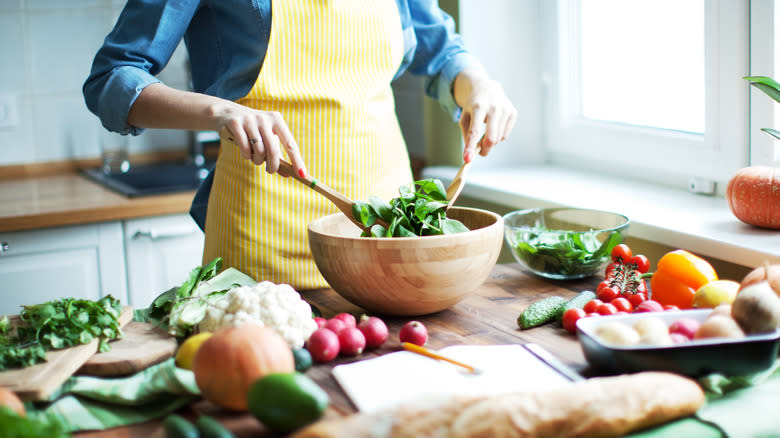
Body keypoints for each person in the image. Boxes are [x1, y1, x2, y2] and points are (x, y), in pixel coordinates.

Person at [84, 0, 517, 290]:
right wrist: (219, 112)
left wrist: (481, 85)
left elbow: (442, 51)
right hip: (263, 238)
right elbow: (113, 78)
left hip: (390, 235)